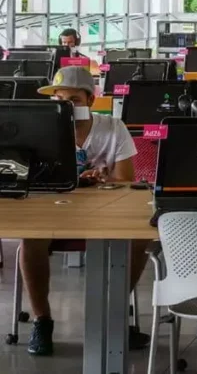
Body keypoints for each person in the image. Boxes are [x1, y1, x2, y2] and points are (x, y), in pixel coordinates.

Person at [20, 67, 150, 356]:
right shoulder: (42, 130)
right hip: (56, 209)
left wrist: (105, 177)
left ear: (91, 100)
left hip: (105, 210)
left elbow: (126, 180)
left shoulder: (113, 128)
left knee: (139, 240)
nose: (65, 106)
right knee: (31, 239)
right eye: (59, 100)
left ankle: (112, 312)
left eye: (74, 100)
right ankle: (42, 321)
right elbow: (31, 178)